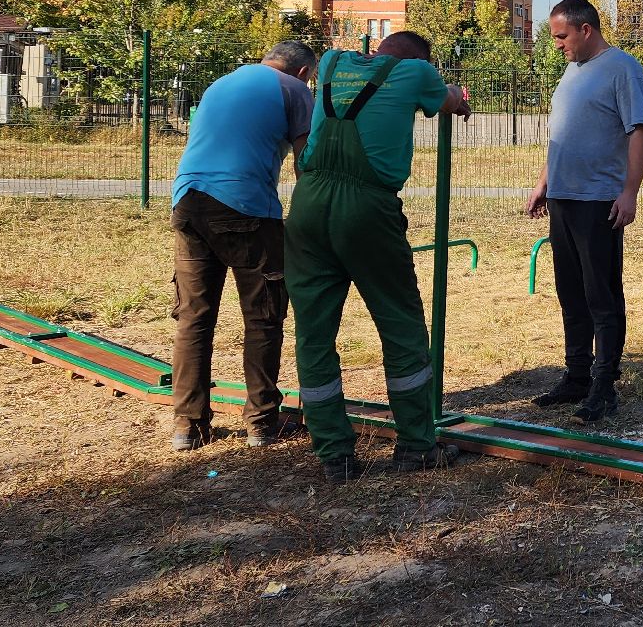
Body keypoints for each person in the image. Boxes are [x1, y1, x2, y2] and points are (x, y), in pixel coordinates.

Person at [285, 31, 471, 482]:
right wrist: (459, 101)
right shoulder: (417, 73)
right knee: (399, 320)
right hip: (366, 207)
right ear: (419, 61)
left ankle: (334, 455)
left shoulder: (329, 63)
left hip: (307, 203)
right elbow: (448, 99)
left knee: (313, 331)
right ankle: (416, 445)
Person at [168, 40, 318, 451]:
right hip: (247, 208)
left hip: (187, 200)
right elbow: (306, 163)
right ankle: (263, 420)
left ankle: (188, 425)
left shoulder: (221, 83)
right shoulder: (295, 89)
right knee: (264, 315)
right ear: (304, 71)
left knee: (194, 317)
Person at [526, 0, 643, 423]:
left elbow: (638, 131)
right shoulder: (572, 69)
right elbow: (562, 133)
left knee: (601, 294)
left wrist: (629, 191)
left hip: (599, 201)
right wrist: (545, 183)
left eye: (561, 36)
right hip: (563, 198)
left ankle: (604, 385)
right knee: (570, 292)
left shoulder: (623, 68)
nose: (556, 44)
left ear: (585, 29)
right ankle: (577, 375)